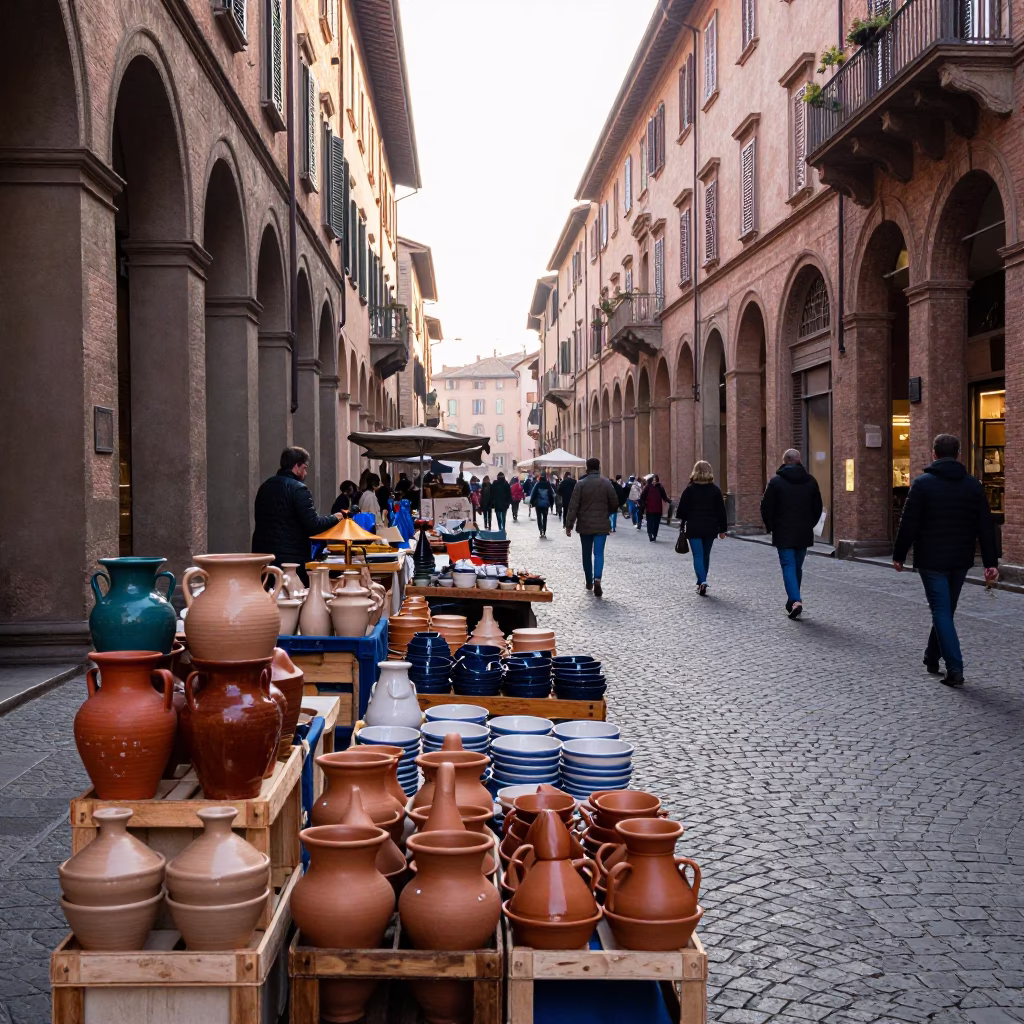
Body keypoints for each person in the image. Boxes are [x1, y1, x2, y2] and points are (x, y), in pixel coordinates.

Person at [892, 433, 999, 687]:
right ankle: (931, 657)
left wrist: (899, 554)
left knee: (942, 610)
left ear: (934, 454)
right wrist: (990, 561)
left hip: (931, 559)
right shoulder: (973, 485)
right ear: (958, 454)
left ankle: (955, 668)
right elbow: (985, 525)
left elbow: (908, 523)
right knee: (946, 610)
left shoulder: (922, 484)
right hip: (960, 558)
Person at [252, 447, 339, 585]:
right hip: (291, 561)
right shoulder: (298, 489)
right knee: (293, 600)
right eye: (304, 468)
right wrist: (336, 518)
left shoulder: (265, 486)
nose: (305, 472)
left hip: (263, 557)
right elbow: (314, 525)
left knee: (269, 599)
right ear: (297, 466)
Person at [760, 449, 823, 620]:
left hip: (783, 531)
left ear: (784, 461)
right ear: (799, 460)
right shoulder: (811, 481)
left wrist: (771, 526)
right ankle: (792, 600)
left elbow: (766, 507)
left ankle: (795, 600)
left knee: (788, 565)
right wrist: (810, 524)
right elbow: (817, 507)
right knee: (796, 566)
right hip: (803, 531)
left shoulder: (776, 482)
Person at [565, 458, 619, 597]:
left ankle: (589, 581)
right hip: (601, 524)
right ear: (599, 467)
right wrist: (606, 513)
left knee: (586, 554)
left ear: (587, 468)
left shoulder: (580, 484)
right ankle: (597, 579)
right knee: (599, 553)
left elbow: (573, 506)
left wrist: (569, 525)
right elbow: (614, 503)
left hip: (585, 525)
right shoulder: (606, 483)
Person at [677, 461, 728, 596]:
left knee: (698, 555)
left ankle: (702, 581)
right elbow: (721, 512)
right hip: (710, 527)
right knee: (705, 555)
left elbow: (681, 512)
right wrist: (722, 530)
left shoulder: (689, 489)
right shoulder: (715, 490)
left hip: (694, 527)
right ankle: (702, 581)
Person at [638, 474, 669, 541]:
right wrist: (643, 505)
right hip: (649, 509)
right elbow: (642, 496)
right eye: (653, 480)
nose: (654, 482)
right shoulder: (647, 487)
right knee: (650, 523)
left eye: (655, 480)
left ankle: (654, 535)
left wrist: (670, 501)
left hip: (658, 509)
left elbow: (664, 497)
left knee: (656, 523)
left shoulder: (660, 487)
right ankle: (650, 534)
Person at [530, 471, 555, 537]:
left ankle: (540, 529)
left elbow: (533, 494)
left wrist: (531, 502)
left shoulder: (537, 485)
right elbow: (551, 495)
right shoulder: (548, 485)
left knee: (539, 517)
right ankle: (544, 530)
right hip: (546, 505)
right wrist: (551, 504)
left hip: (538, 504)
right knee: (545, 518)